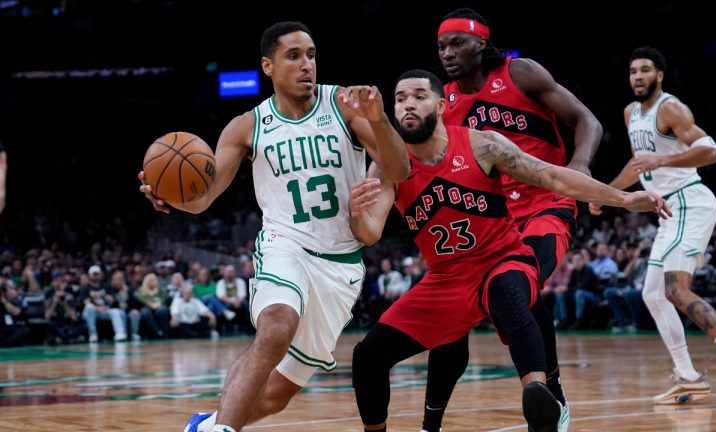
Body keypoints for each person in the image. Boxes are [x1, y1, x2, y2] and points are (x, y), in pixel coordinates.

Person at [350, 69, 669, 432]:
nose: (408, 104)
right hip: (446, 280)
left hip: (500, 259)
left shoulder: (481, 144)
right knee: (368, 356)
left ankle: (538, 398)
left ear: (440, 106)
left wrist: (623, 198)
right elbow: (371, 233)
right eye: (401, 98)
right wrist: (357, 215)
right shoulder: (390, 167)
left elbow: (553, 176)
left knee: (508, 291)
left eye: (419, 96)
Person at [139, 21, 409, 432]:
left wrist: (380, 119)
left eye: (312, 55)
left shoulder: (344, 105)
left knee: (274, 396)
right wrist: (169, 194)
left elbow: (399, 169)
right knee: (277, 324)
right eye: (294, 56)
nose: (307, 65)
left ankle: (207, 424)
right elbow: (203, 197)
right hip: (285, 246)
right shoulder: (247, 126)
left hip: (340, 264)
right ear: (268, 65)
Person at [423, 8, 606, 430]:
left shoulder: (520, 73)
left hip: (546, 203)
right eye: (441, 46)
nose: (447, 53)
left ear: (481, 44)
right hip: (494, 218)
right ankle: (431, 422)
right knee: (456, 312)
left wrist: (580, 163)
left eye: (457, 44)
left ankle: (552, 394)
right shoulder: (444, 100)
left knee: (521, 284)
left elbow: (587, 120)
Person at [589, 46, 716, 405]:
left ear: (660, 75)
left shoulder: (670, 108)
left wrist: (664, 157)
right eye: (632, 71)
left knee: (675, 288)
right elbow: (639, 166)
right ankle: (688, 378)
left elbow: (710, 149)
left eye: (645, 70)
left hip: (690, 200)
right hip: (669, 212)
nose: (637, 76)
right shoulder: (630, 114)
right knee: (652, 294)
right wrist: (605, 193)